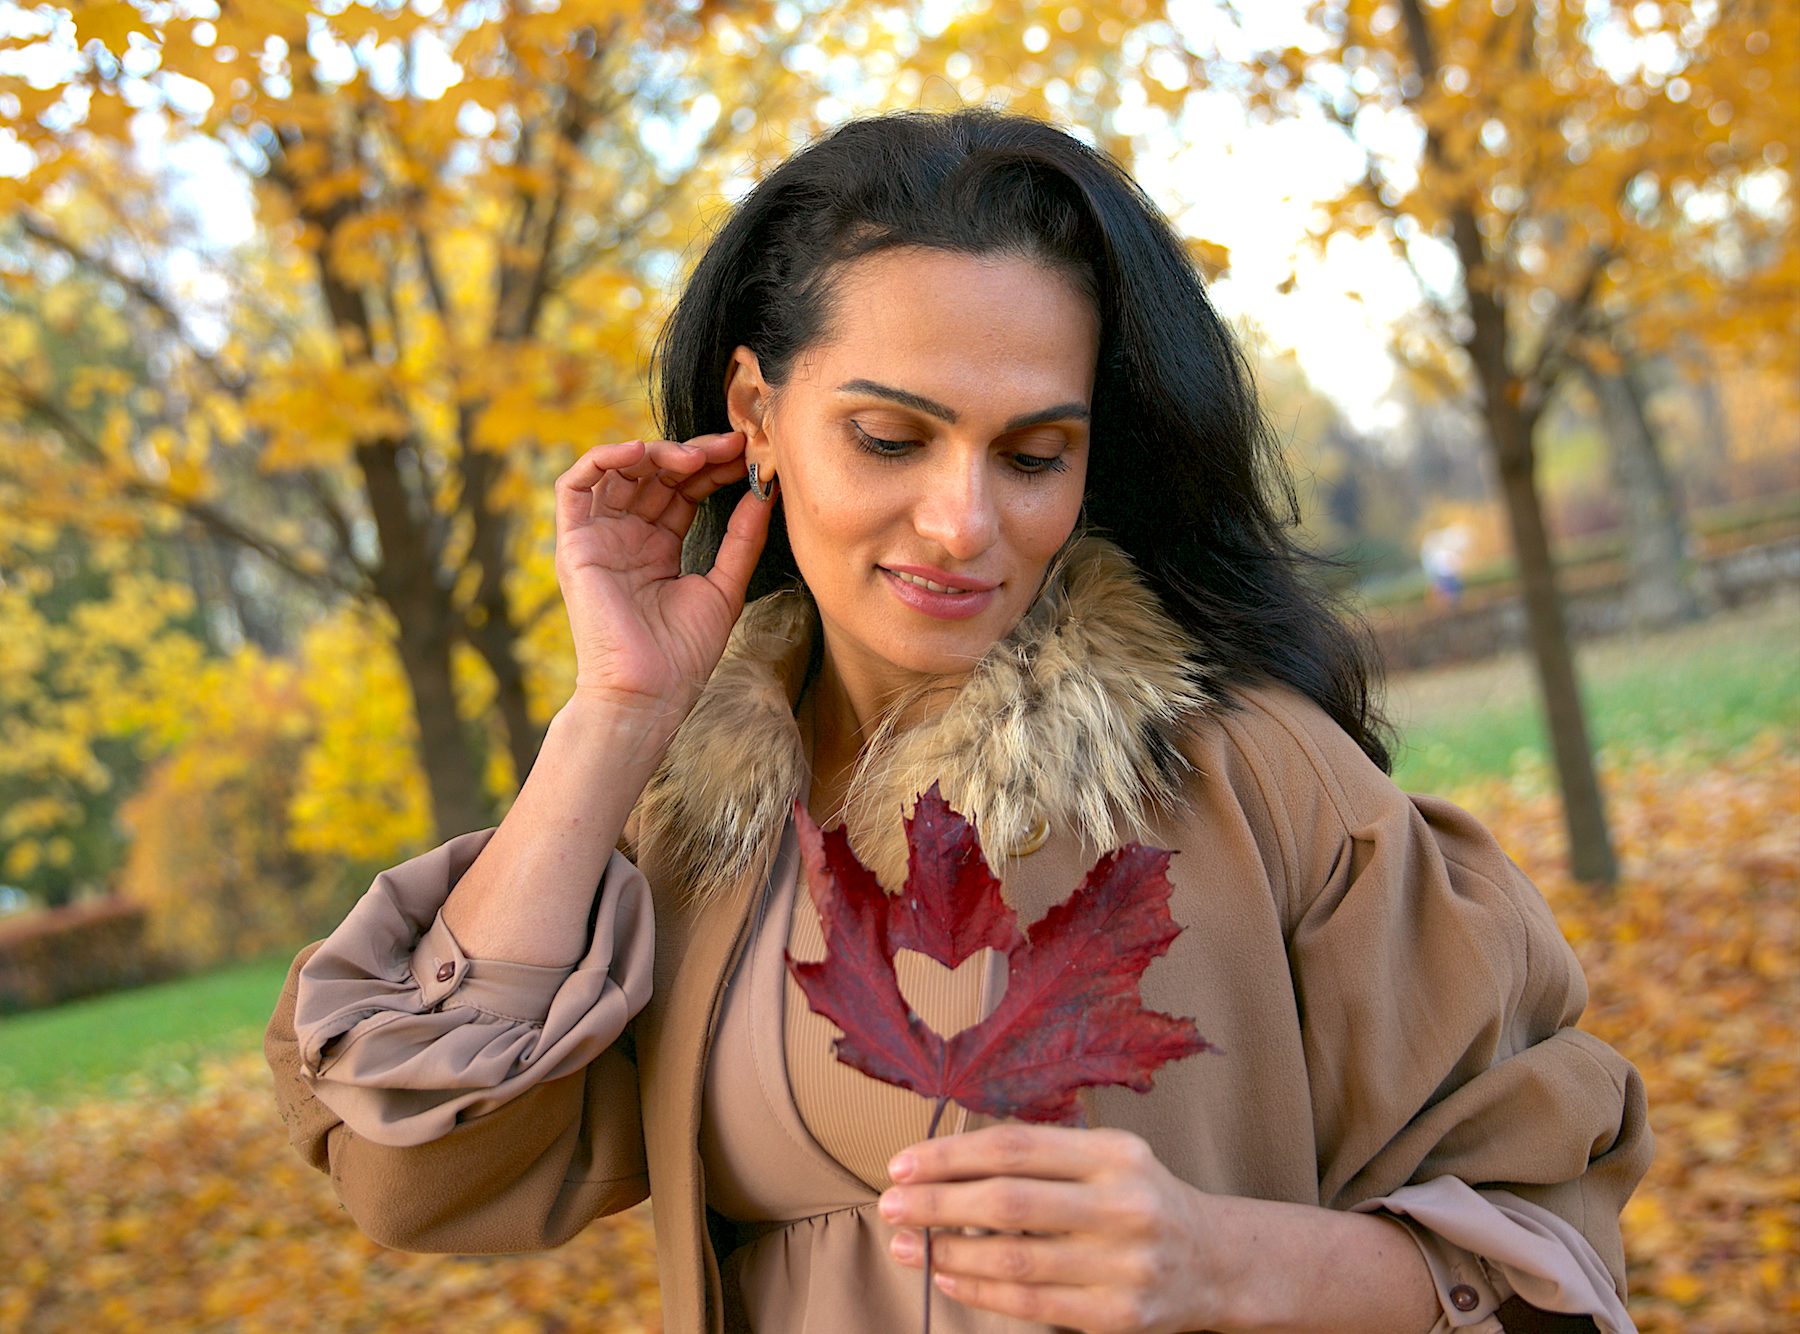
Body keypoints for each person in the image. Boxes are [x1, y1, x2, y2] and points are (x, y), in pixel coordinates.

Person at [265, 110, 1650, 1334]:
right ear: (758, 410)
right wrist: (618, 714)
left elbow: (1552, 1252)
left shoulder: (1257, 779)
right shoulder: (688, 838)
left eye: (1035, 454)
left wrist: (1223, 1262)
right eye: (890, 437)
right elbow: (408, 1163)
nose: (964, 523)